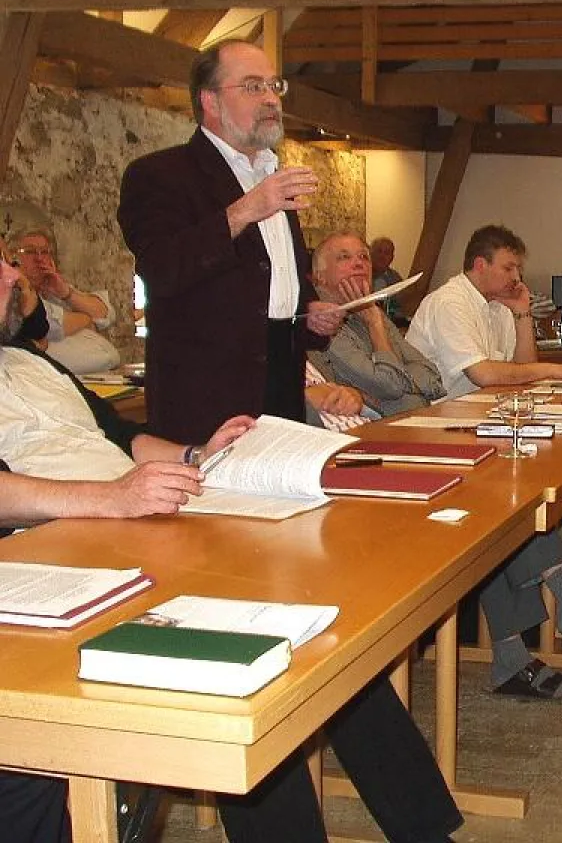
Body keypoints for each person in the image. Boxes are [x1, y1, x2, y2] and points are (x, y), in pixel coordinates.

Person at [0, 257, 462, 843]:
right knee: (238, 665)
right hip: (56, 547)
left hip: (140, 518)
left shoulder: (29, 359)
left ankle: (423, 827)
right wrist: (112, 498)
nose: (14, 276)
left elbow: (122, 437)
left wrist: (197, 454)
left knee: (313, 623)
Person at [118, 40, 343, 444]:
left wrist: (311, 314)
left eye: (275, 86)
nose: (271, 98)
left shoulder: (270, 176)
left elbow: (270, 286)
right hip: (206, 403)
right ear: (211, 101)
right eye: (254, 86)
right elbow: (162, 269)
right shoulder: (161, 175)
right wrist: (243, 210)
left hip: (280, 393)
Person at [406, 224, 562, 400]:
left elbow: (524, 369)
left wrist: (522, 313)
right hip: (436, 415)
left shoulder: (500, 304)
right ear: (480, 265)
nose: (517, 278)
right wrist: (551, 370)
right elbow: (483, 375)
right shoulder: (448, 302)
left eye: (518, 269)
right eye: (508, 268)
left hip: (478, 409)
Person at [311, 231, 445, 416]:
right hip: (369, 433)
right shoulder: (321, 322)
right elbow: (389, 385)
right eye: (344, 257)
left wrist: (397, 383)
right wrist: (375, 324)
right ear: (320, 276)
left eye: (363, 257)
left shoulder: (370, 310)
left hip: (413, 425)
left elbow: (432, 377)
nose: (359, 263)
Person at [8, 226, 120, 374]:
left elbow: (105, 314)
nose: (39, 258)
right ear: (12, 259)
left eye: (45, 252)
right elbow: (55, 325)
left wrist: (66, 293)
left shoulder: (54, 287)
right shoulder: (15, 293)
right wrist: (87, 319)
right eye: (30, 252)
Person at [368, 235, 405, 323]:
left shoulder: (396, 279)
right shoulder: (359, 275)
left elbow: (401, 308)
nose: (382, 256)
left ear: (392, 258)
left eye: (387, 253)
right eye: (379, 251)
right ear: (370, 253)